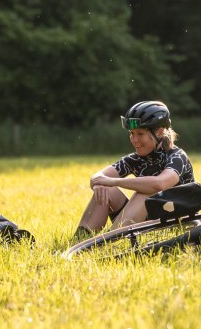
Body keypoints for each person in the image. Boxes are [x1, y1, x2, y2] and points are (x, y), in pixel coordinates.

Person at [76, 100, 194, 236]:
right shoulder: (135, 159)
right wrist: (99, 184)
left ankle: (110, 241)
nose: (134, 139)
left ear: (160, 132)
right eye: (132, 133)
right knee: (106, 188)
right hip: (143, 223)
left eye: (140, 134)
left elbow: (160, 184)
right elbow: (97, 177)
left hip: (174, 225)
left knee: (145, 191)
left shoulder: (177, 156)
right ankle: (82, 238)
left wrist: (112, 181)